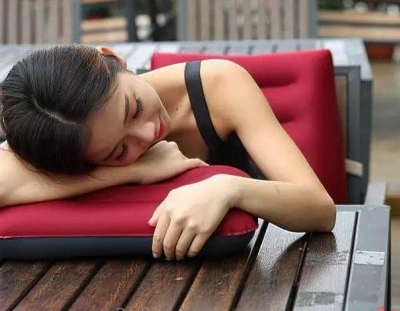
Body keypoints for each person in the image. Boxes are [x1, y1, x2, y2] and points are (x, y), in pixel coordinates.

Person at [0, 45, 336, 261]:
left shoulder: (220, 85)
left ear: (114, 57)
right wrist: (130, 172)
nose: (147, 134)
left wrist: (228, 187)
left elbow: (320, 209)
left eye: (134, 108)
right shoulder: (60, 135)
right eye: (120, 151)